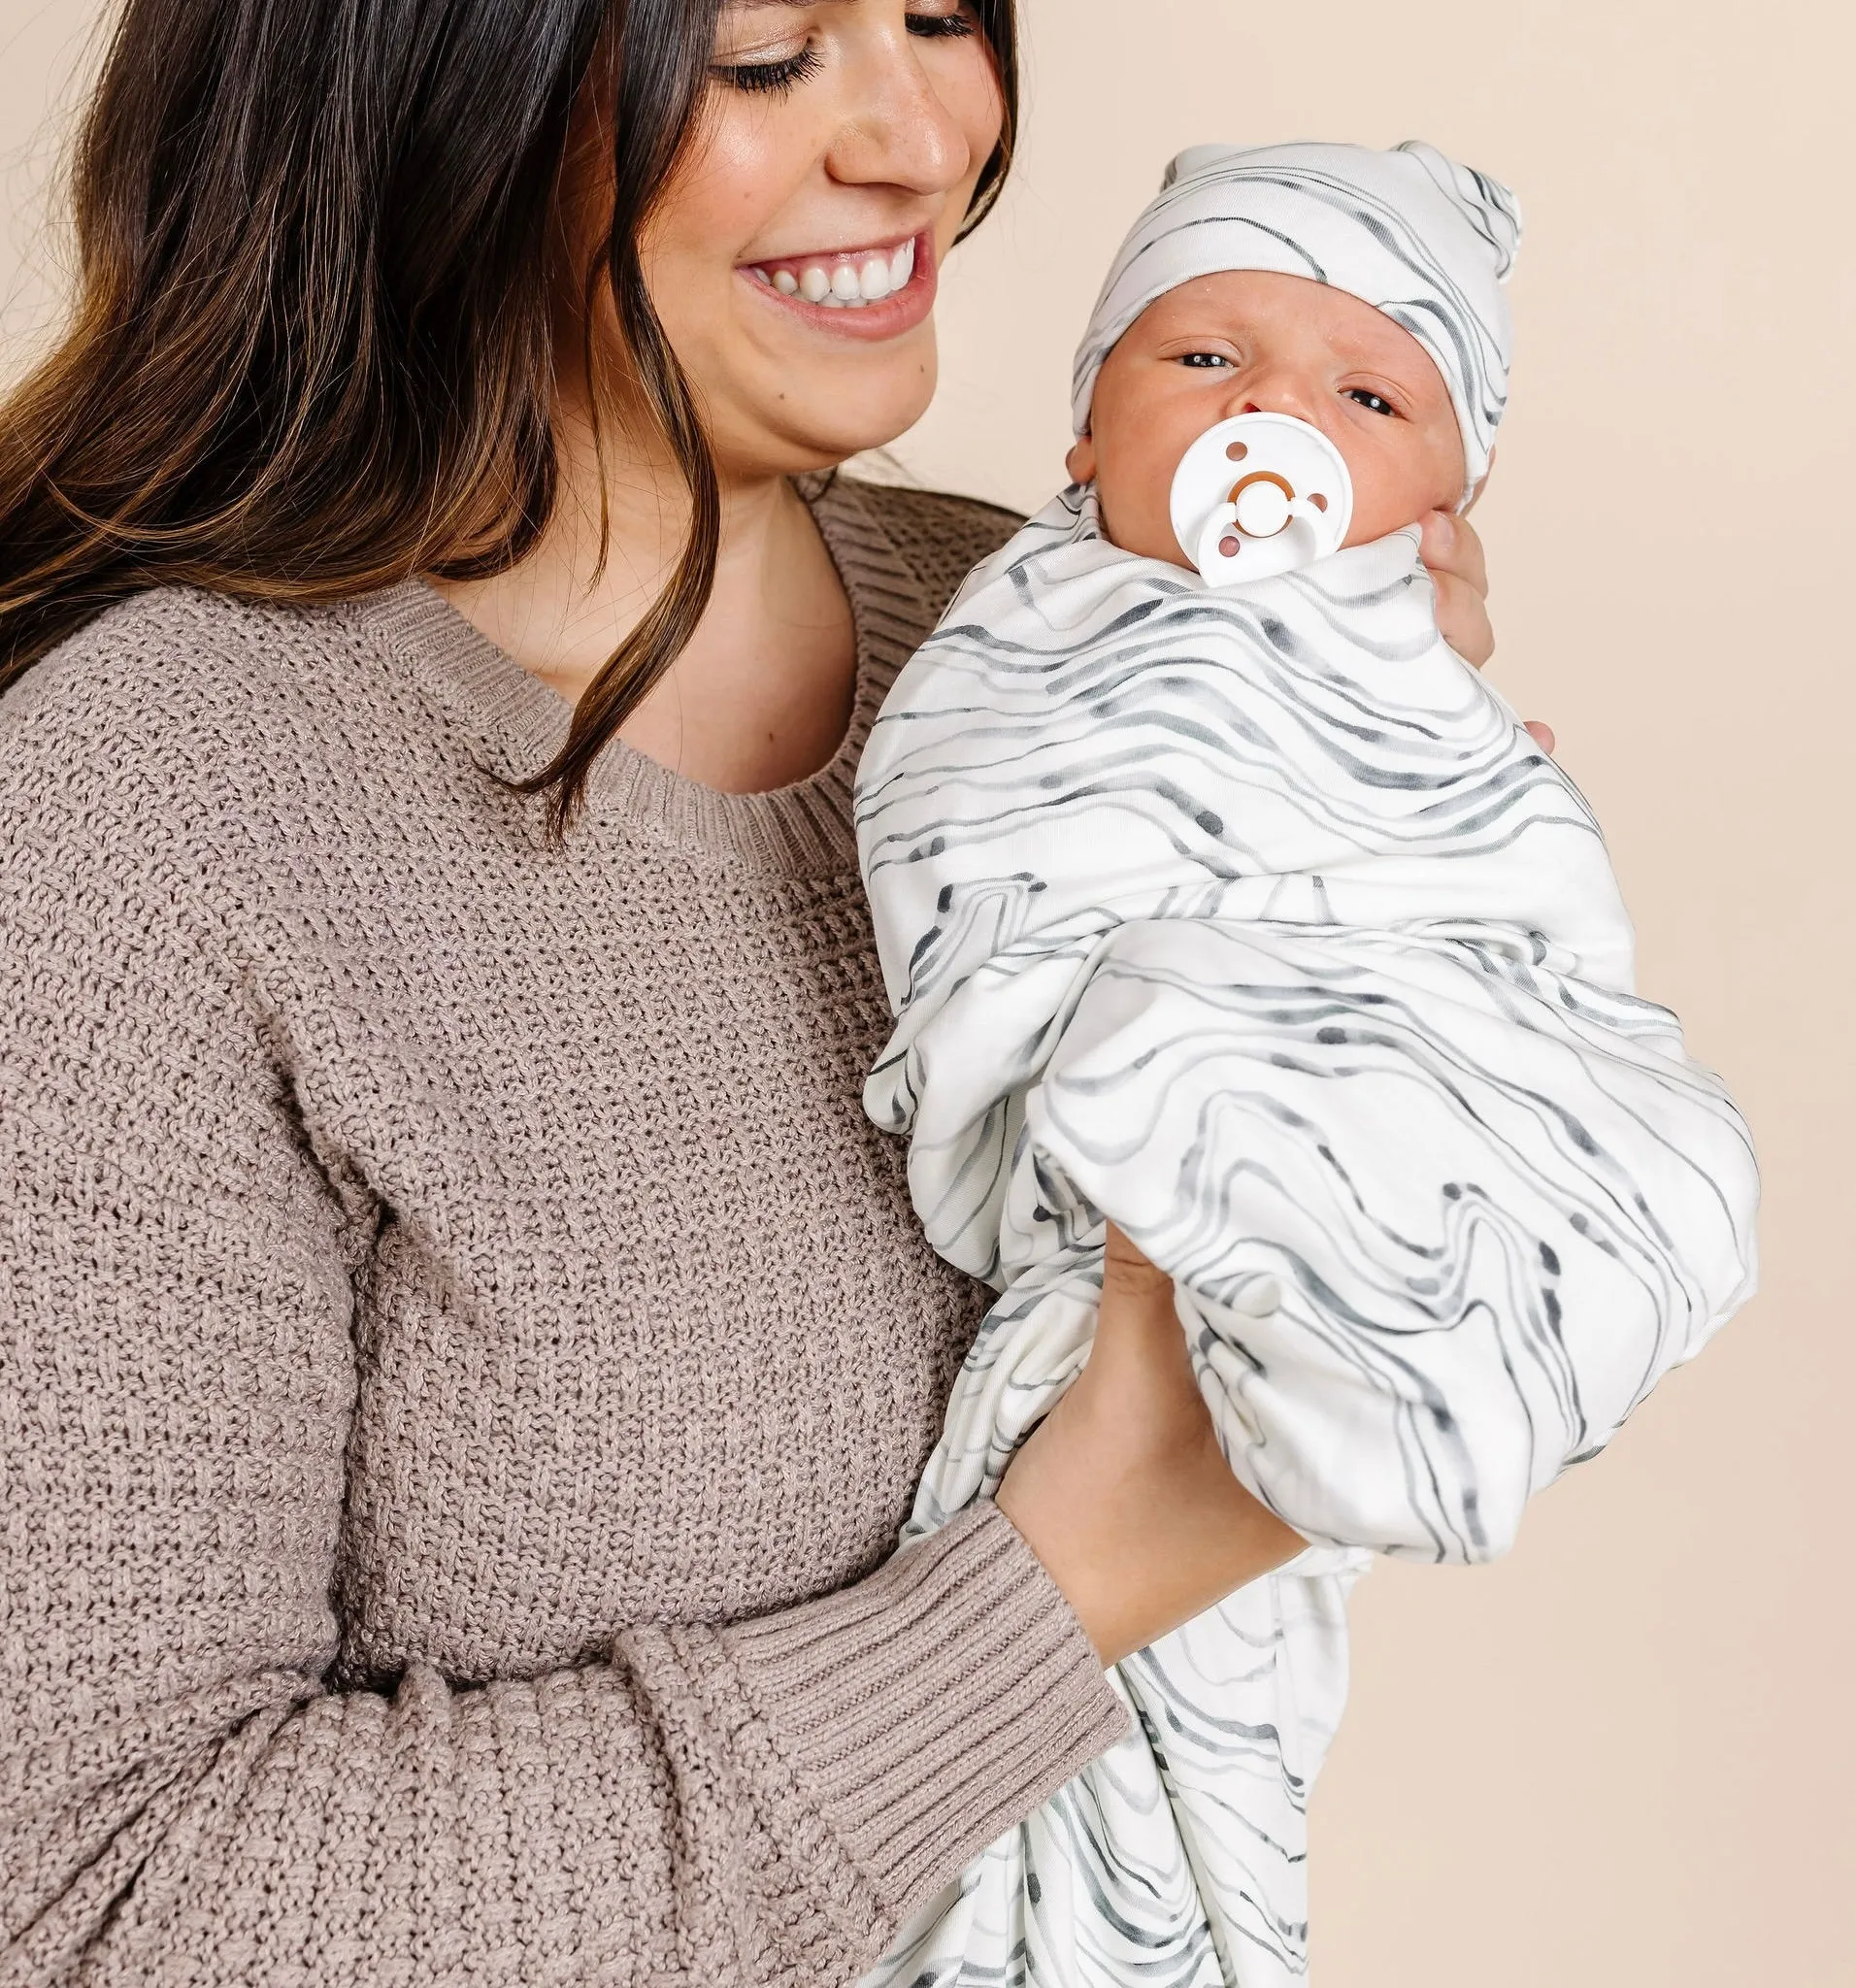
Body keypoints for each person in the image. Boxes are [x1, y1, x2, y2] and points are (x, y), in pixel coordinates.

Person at [0, 11, 1512, 1986]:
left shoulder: (1067, 649)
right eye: (765, 50)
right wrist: (1065, 1580)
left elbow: (1451, 1308)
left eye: (940, 20)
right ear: (439, 83)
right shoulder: (157, 805)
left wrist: (1394, 848)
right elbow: (98, 1902)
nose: (918, 136)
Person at [853, 140, 1760, 1988]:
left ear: (1443, 502)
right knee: (1191, 1039)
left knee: (1672, 1147)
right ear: (1086, 437)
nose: (1278, 410)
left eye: (1370, 395)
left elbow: (1515, 910)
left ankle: (1392, 1353)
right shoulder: (1007, 630)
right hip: (1123, 1133)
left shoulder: (1417, 666)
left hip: (1358, 1067)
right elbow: (963, 838)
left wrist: (1404, 737)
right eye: (1203, 359)